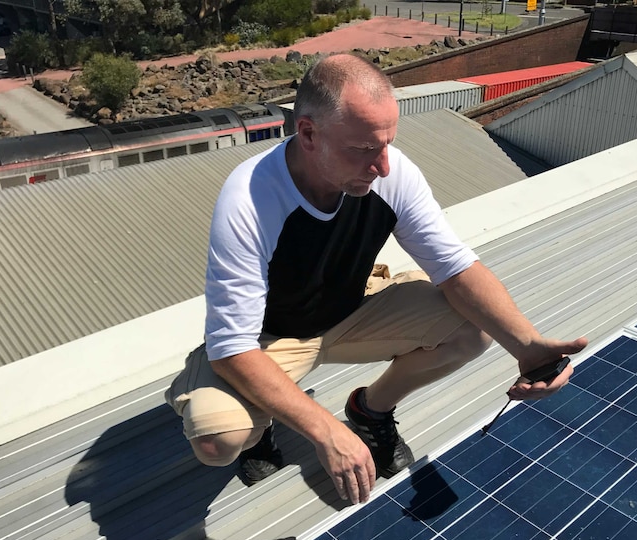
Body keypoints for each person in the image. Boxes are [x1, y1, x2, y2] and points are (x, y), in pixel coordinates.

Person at [165, 53, 588, 506]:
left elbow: (455, 267)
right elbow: (233, 346)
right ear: (308, 133)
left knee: (476, 329)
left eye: (387, 144)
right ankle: (262, 425)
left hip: (352, 310)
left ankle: (370, 411)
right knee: (218, 442)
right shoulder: (249, 200)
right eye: (365, 149)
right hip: (269, 339)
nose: (383, 166)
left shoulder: (390, 172)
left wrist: (526, 346)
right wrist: (325, 433)